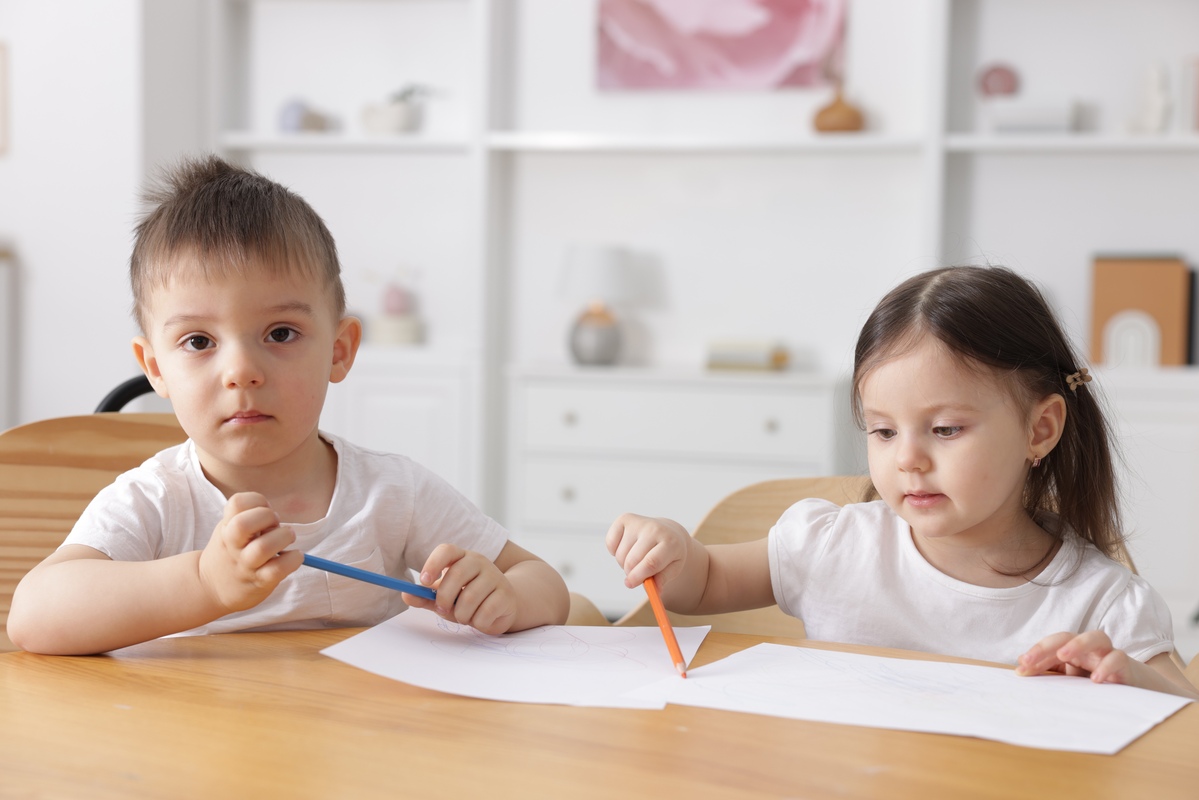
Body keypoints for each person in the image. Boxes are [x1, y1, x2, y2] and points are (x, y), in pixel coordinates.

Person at [8, 156, 569, 655]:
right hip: (190, 756)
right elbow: (34, 618)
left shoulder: (392, 494)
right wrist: (205, 583)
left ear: (339, 350)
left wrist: (507, 600)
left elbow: (543, 582)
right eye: (199, 342)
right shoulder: (155, 499)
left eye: (279, 333)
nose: (241, 371)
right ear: (155, 367)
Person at [606, 265, 1197, 699]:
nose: (907, 459)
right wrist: (673, 550)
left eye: (944, 429)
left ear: (1039, 430)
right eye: (883, 432)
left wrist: (1138, 686)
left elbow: (1182, 725)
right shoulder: (834, 546)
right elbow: (704, 582)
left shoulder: (1104, 605)